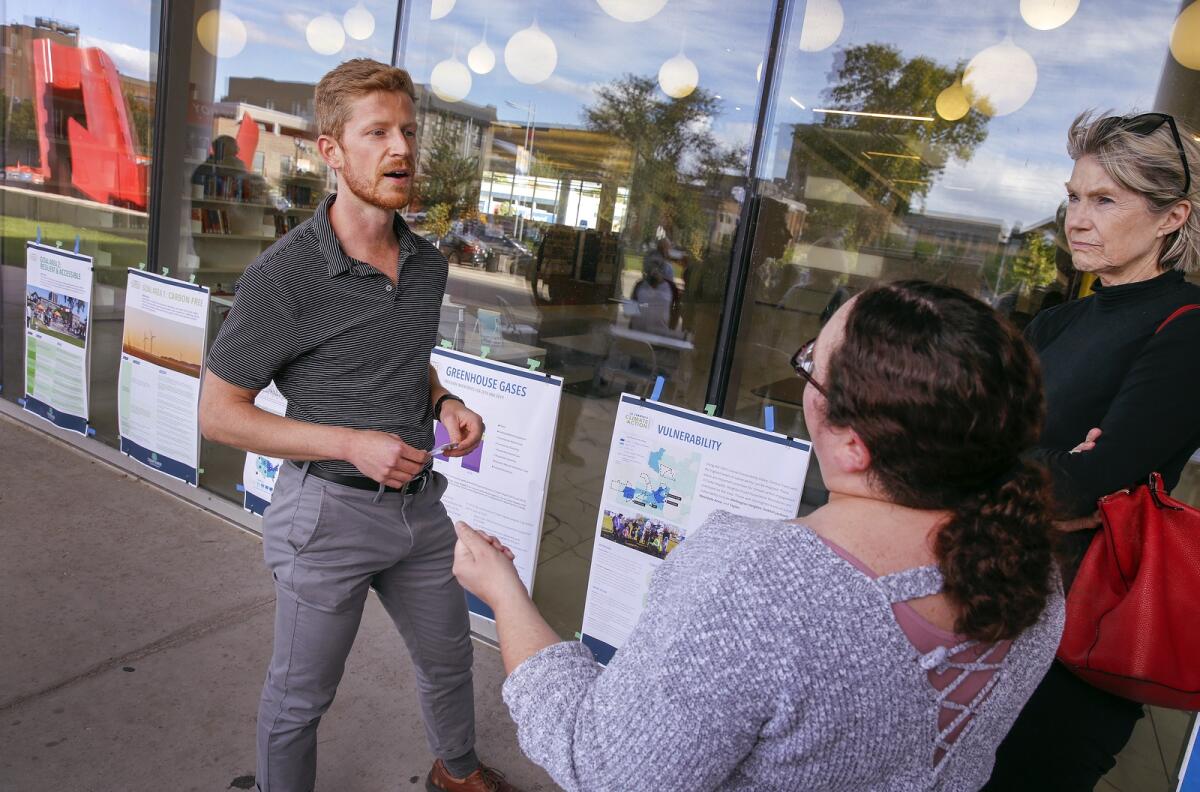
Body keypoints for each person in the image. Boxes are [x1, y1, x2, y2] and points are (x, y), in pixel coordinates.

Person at [452, 280, 1066, 791]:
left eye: (810, 366)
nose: (803, 381)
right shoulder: (1031, 565)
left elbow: (604, 766)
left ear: (854, 443)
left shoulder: (753, 579)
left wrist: (504, 594)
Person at [198, 59, 520, 792]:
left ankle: (457, 770)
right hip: (327, 515)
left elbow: (409, 362)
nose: (400, 148)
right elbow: (219, 415)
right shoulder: (284, 278)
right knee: (301, 696)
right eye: (376, 132)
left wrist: (444, 404)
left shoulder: (428, 264)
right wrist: (349, 443)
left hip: (419, 509)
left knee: (448, 656)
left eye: (407, 130)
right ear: (332, 150)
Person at [984, 111, 1200, 791]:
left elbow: (1084, 486)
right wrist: (1048, 461)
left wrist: (1022, 464)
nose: (1078, 217)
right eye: (1074, 197)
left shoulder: (1187, 330)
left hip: (1078, 643)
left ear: (1172, 218)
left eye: (1105, 199)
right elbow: (967, 448)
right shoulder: (1057, 320)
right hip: (992, 603)